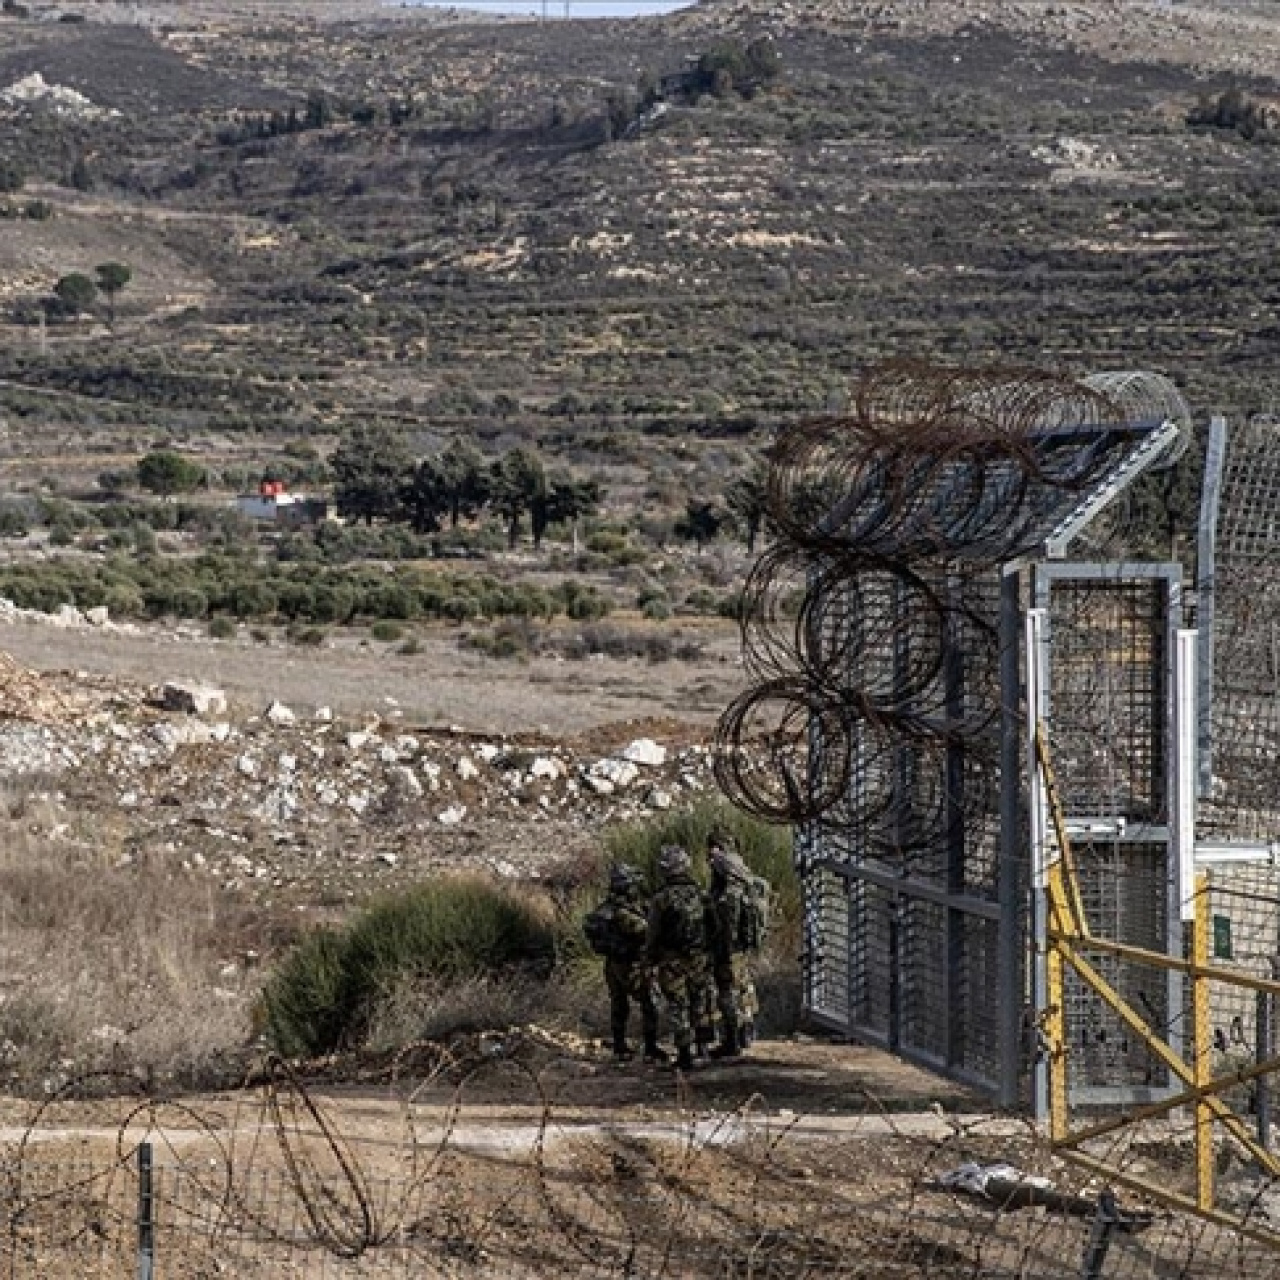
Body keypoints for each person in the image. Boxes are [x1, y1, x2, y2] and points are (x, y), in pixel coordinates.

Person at [584, 863, 665, 1062]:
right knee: (649, 1003)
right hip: (631, 965)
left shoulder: (606, 908)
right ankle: (650, 1047)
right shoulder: (624, 913)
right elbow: (645, 931)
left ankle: (620, 1046)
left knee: (619, 1005)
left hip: (613, 965)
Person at [646, 845, 713, 1072]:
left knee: (678, 1006)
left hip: (671, 961)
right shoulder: (701, 894)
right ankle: (703, 1048)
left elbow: (652, 934)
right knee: (700, 1002)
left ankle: (684, 1055)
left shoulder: (660, 899)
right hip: (699, 958)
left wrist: (649, 959)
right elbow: (713, 927)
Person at [708, 831, 763, 1058]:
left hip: (729, 948)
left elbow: (725, 921)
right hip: (744, 945)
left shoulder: (727, 884)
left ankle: (732, 1040)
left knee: (727, 991)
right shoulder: (746, 876)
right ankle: (747, 1032)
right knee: (744, 987)